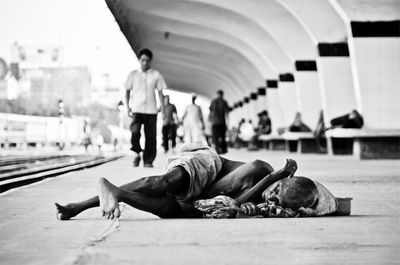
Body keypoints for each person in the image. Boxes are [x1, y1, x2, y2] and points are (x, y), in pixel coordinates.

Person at [55, 143, 338, 220]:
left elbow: (222, 204)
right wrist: (274, 176)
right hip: (205, 167)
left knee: (169, 211)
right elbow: (224, 192)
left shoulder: (268, 202)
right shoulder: (261, 171)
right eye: (275, 190)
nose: (271, 197)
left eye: (277, 201)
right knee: (165, 182)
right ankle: (101, 187)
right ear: (281, 178)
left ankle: (87, 202)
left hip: (198, 194)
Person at [125, 48, 166, 168]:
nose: (144, 63)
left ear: (150, 61)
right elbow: (127, 91)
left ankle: (148, 160)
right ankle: (137, 152)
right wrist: (127, 106)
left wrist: (162, 108)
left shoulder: (156, 75)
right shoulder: (133, 75)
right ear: (139, 60)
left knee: (151, 137)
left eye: (147, 61)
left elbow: (160, 93)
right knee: (135, 132)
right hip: (136, 109)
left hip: (151, 110)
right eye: (142, 60)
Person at [209, 90, 230, 154]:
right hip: (222, 122)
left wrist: (210, 119)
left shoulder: (213, 101)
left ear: (217, 94)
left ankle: (217, 150)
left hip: (215, 122)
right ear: (222, 94)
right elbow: (227, 111)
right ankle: (223, 150)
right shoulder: (224, 102)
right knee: (223, 137)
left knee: (215, 137)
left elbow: (210, 111)